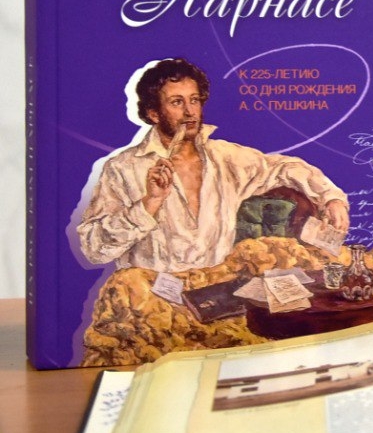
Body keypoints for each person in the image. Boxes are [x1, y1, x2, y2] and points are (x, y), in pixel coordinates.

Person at [77, 58, 350, 272]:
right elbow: (93, 248)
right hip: (151, 301)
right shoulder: (123, 168)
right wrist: (150, 203)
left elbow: (283, 167)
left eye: (194, 100)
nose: (190, 112)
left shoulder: (224, 158)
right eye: (176, 102)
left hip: (216, 292)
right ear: (153, 113)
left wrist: (331, 198)